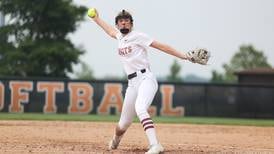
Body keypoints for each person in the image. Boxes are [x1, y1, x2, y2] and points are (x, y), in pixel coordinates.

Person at [89, 9, 192, 154]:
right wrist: (96, 19)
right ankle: (115, 141)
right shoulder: (119, 37)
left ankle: (155, 145)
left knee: (140, 108)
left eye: (126, 20)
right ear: (118, 25)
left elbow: (161, 46)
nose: (123, 22)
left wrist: (184, 56)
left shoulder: (138, 36)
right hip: (132, 84)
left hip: (146, 79)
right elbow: (110, 31)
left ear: (131, 24)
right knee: (122, 125)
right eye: (120, 21)